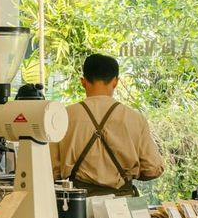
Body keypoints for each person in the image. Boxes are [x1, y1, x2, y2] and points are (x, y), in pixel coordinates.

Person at [51, 53, 164, 196]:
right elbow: (153, 168)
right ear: (115, 82)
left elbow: (52, 170)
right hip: (122, 204)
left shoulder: (64, 117)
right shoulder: (135, 119)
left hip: (78, 205)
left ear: (83, 81)